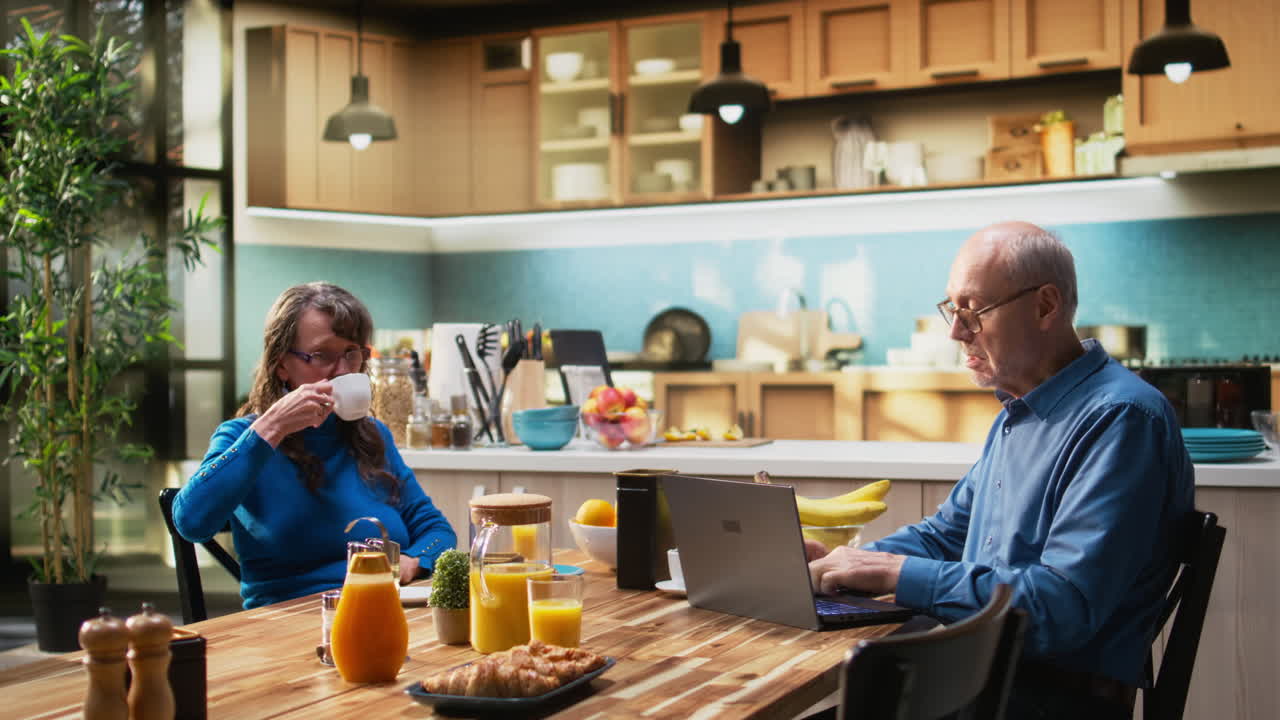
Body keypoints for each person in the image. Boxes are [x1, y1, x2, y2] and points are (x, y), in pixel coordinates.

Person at [807, 222, 1193, 718]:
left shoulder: (1121, 420)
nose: (955, 330)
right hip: (984, 683)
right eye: (952, 308)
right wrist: (840, 567)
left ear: (1045, 306)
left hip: (1046, 701)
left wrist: (892, 572)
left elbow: (1060, 609)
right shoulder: (1021, 412)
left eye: (973, 310)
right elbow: (946, 535)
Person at [174, 282, 456, 608]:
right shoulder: (244, 437)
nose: (343, 370)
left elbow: (437, 531)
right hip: (291, 627)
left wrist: (411, 561)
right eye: (322, 355)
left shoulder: (373, 438)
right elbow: (190, 522)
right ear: (281, 365)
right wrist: (271, 427)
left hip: (382, 610)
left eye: (352, 353)